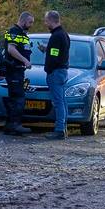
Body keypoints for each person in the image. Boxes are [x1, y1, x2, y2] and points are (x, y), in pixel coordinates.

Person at [1, 12, 35, 136]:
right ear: (23, 20)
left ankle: (10, 125)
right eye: (30, 22)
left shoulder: (21, 33)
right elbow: (11, 49)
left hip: (18, 70)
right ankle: (14, 125)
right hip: (14, 69)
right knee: (18, 98)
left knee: (15, 97)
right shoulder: (14, 31)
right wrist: (25, 60)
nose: (31, 25)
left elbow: (23, 48)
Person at [38, 10, 70, 140]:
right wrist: (47, 48)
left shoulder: (56, 36)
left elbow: (55, 56)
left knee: (58, 102)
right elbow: (57, 52)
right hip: (61, 71)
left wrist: (49, 69)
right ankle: (63, 128)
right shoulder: (63, 35)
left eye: (46, 21)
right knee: (62, 101)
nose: (45, 23)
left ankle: (59, 130)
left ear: (52, 20)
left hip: (56, 72)